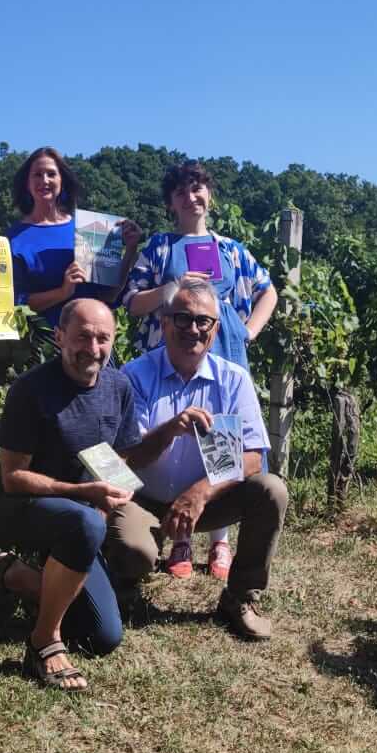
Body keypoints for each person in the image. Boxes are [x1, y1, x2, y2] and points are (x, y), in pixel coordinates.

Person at [0, 298, 158, 692]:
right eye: (82, 337)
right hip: (21, 510)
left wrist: (108, 498)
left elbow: (119, 456)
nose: (93, 349)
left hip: (81, 518)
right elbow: (12, 478)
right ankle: (43, 640)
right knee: (83, 522)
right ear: (60, 337)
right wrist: (85, 495)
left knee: (102, 636)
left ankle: (13, 575)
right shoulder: (31, 390)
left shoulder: (118, 386)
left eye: (103, 338)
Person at [122, 160, 279, 578]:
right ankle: (181, 540)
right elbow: (132, 302)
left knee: (220, 436)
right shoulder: (159, 246)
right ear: (170, 203)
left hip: (222, 352)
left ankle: (220, 541)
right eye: (181, 192)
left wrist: (247, 332)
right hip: (168, 353)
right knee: (176, 439)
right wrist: (172, 290)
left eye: (198, 189)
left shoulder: (232, 249)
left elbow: (268, 291)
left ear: (209, 195)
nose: (191, 197)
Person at [118, 278, 289, 641]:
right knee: (135, 550)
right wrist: (169, 430)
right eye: (182, 318)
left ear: (215, 328)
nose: (192, 329)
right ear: (164, 322)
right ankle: (122, 584)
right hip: (144, 500)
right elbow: (126, 456)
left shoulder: (233, 380)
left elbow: (252, 458)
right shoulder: (135, 375)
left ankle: (241, 597)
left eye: (203, 321)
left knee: (271, 490)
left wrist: (199, 493)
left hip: (206, 503)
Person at [4, 146, 141, 336]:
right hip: (40, 344)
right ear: (27, 183)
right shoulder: (13, 239)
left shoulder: (90, 230)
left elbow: (109, 295)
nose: (45, 180)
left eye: (51, 174)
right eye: (37, 174)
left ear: (62, 181)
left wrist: (131, 250)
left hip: (91, 341)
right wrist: (62, 292)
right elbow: (13, 303)